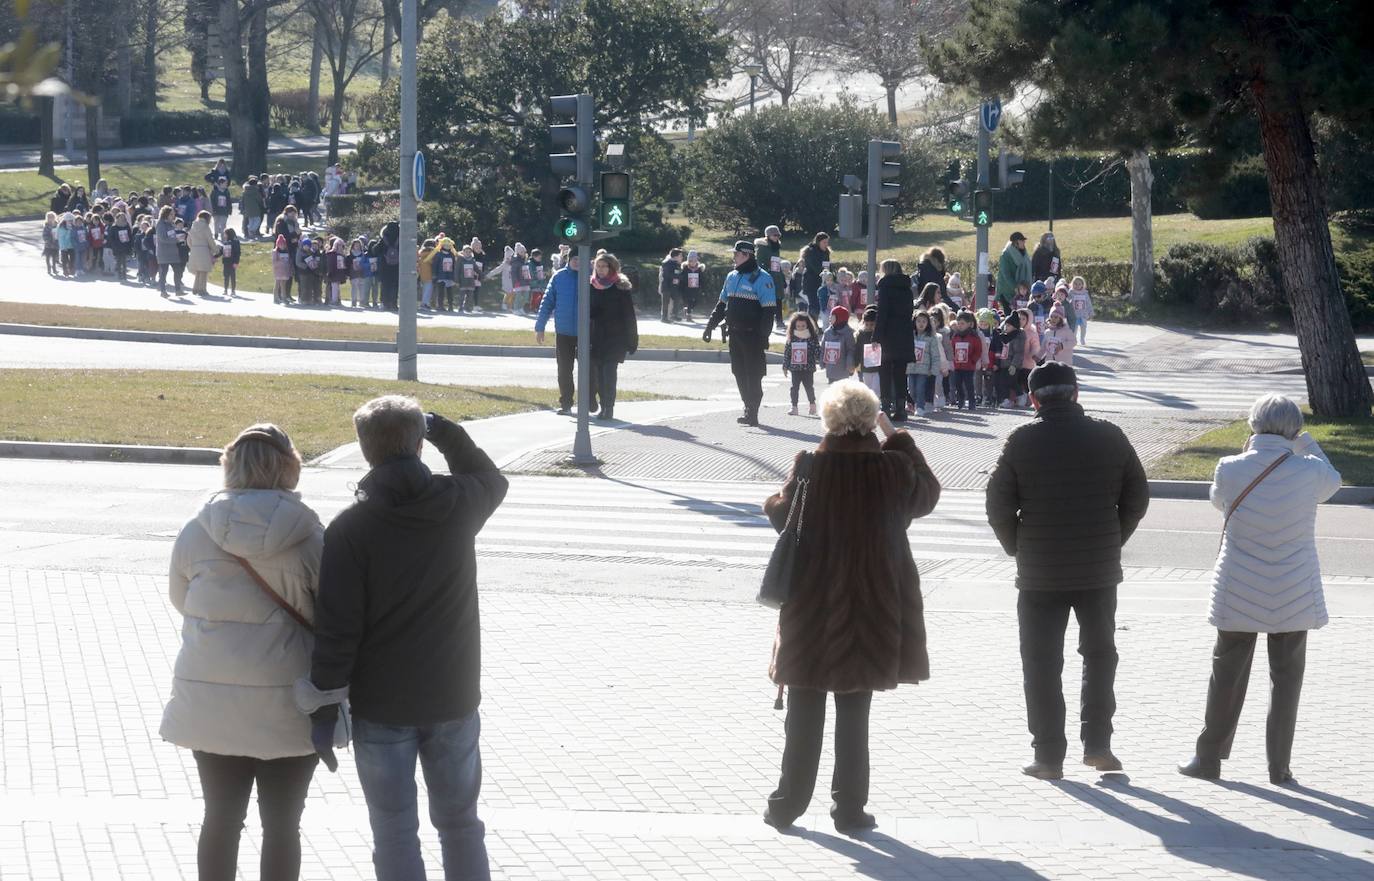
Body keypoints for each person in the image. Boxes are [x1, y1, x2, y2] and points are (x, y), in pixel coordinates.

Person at [306, 396, 508, 881]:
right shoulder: (456, 503)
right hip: (453, 698)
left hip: (381, 707)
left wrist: (324, 703)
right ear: (420, 444)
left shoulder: (351, 528)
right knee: (460, 823)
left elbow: (337, 627)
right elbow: (492, 479)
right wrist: (446, 431)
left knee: (393, 829)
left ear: (363, 449)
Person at [763, 380, 940, 832]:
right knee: (855, 712)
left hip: (812, 602)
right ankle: (849, 810)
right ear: (870, 420)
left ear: (828, 419)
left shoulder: (810, 465)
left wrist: (774, 500)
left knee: (804, 707)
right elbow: (929, 494)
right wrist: (896, 434)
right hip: (871, 604)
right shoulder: (895, 468)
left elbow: (782, 515)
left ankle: (787, 805)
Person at [160, 423, 323, 881]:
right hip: (289, 701)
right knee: (282, 826)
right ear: (290, 469)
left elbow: (180, 601)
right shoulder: (309, 536)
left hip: (210, 700)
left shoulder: (197, 531)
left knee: (221, 818)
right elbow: (333, 615)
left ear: (229, 465)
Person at [986, 362, 1150, 780]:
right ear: (1076, 393)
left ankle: (1048, 756)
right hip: (1098, 571)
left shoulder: (1021, 441)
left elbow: (997, 504)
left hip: (1040, 573)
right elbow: (1138, 495)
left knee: (1041, 663)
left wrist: (1016, 546)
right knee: (1099, 656)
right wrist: (1114, 537)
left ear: (1033, 398)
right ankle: (1098, 745)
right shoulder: (1110, 436)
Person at [1178, 394, 1342, 786]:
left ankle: (1209, 757)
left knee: (1226, 674)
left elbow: (1220, 503)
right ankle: (1279, 766)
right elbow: (1334, 481)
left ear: (1252, 425)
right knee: (1287, 680)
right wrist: (1305, 441)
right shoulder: (1309, 471)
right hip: (1293, 588)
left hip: (1239, 586)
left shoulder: (1230, 467)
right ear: (1294, 429)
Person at [703, 240, 778, 427]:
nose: (733, 257)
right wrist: (710, 325)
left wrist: (764, 337)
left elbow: (769, 312)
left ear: (746, 255)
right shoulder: (732, 276)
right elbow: (722, 304)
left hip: (753, 336)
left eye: (736, 254)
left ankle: (753, 411)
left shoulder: (763, 278)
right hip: (734, 334)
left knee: (753, 374)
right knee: (738, 372)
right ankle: (747, 406)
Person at [588, 252, 638, 421]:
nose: (601, 270)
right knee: (600, 375)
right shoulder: (591, 285)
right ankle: (603, 406)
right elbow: (588, 312)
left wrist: (632, 340)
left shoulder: (620, 287)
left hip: (616, 338)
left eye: (604, 266)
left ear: (611, 268)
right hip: (597, 338)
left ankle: (609, 407)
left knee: (609, 373)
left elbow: (629, 316)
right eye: (598, 266)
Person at [535, 251, 581, 415]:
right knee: (564, 370)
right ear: (569, 260)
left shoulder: (591, 277)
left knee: (589, 370)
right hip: (564, 332)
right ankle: (566, 403)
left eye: (581, 258)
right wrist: (540, 327)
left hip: (587, 332)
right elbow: (547, 302)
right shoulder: (559, 277)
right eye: (575, 258)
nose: (578, 262)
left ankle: (588, 401)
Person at [872, 259, 915, 423]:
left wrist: (876, 336)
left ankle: (885, 408)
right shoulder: (907, 288)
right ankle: (901, 409)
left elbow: (882, 313)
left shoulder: (885, 287)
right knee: (900, 373)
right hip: (904, 334)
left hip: (888, 335)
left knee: (884, 371)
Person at [782, 311, 821, 416]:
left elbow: (817, 351)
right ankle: (794, 407)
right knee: (794, 388)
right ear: (794, 326)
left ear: (808, 325)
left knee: (809, 387)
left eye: (803, 326)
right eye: (798, 326)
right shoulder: (791, 338)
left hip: (808, 368)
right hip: (795, 368)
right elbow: (787, 353)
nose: (800, 328)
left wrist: (821, 359)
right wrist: (785, 367)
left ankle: (812, 405)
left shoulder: (812, 338)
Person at [906, 310, 940, 418]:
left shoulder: (931, 338)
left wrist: (933, 370)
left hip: (924, 369)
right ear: (914, 322)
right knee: (911, 389)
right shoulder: (910, 336)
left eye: (924, 322)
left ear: (928, 323)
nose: (921, 324)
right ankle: (914, 403)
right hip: (911, 367)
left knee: (920, 388)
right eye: (919, 321)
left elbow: (935, 355)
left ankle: (920, 407)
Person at [949, 310, 984, 409]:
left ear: (969, 324)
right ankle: (961, 400)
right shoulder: (955, 336)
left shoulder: (974, 337)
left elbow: (978, 350)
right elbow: (952, 348)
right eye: (958, 323)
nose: (960, 326)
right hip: (957, 365)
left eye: (962, 324)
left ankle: (972, 401)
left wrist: (973, 360)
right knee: (958, 384)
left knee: (969, 384)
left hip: (969, 366)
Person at [754, 224, 787, 329]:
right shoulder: (762, 248)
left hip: (777, 276)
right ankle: (762, 321)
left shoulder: (776, 247)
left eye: (778, 235)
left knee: (778, 299)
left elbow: (777, 263)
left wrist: (782, 278)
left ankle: (779, 321)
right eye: (774, 235)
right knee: (766, 300)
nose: (777, 237)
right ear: (768, 236)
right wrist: (767, 272)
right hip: (766, 277)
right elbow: (759, 263)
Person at [996, 231, 1032, 313]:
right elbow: (1006, 275)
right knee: (1011, 317)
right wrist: (1016, 288)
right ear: (1016, 243)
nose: (1024, 242)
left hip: (1022, 291)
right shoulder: (1005, 255)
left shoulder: (1024, 254)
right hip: (1007, 291)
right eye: (1021, 241)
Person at [799, 232, 832, 319]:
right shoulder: (810, 252)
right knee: (814, 306)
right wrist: (825, 274)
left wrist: (831, 275)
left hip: (822, 282)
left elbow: (828, 265)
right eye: (824, 242)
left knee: (820, 305)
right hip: (811, 283)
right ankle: (812, 325)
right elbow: (815, 267)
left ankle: (814, 325)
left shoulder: (826, 252)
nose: (826, 244)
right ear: (818, 242)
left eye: (827, 242)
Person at [821, 305, 855, 385]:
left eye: (832, 316)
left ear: (840, 318)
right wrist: (822, 361)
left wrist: (850, 364)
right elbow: (823, 348)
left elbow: (850, 350)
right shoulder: (827, 332)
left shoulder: (848, 333)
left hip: (843, 368)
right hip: (830, 368)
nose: (829, 318)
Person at [154, 205, 183, 297]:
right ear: (166, 214)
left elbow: (172, 235)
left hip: (173, 252)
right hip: (163, 252)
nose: (173, 216)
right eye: (171, 214)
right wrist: (176, 240)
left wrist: (179, 238)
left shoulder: (171, 224)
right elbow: (162, 238)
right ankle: (163, 291)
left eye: (173, 214)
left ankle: (178, 290)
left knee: (178, 270)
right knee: (163, 272)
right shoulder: (160, 224)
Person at [658, 247, 684, 322]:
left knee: (677, 299)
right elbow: (667, 275)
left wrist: (680, 277)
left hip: (674, 287)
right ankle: (664, 317)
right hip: (666, 286)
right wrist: (678, 277)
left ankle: (674, 315)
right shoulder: (667, 263)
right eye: (680, 256)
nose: (682, 257)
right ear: (675, 257)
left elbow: (677, 273)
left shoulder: (676, 264)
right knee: (666, 302)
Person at [682, 251, 706, 321]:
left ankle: (687, 310)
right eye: (691, 261)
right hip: (687, 289)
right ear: (688, 261)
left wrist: (703, 289)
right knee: (689, 301)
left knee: (696, 301)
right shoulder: (685, 268)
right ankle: (689, 316)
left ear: (697, 260)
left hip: (696, 289)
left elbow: (702, 279)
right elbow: (682, 278)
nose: (693, 262)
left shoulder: (699, 269)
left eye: (694, 260)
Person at [1068, 276, 1092, 345]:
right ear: (1072, 284)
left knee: (1083, 328)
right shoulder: (1071, 292)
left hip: (1083, 314)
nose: (1077, 285)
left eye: (1079, 284)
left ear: (1082, 284)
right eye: (1075, 284)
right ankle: (1074, 340)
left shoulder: (1085, 293)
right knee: (1074, 329)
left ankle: (1082, 338)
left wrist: (1090, 312)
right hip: (1074, 314)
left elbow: (1088, 303)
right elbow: (1067, 302)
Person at [272, 234, 295, 304]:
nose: (282, 246)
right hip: (278, 270)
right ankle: (275, 298)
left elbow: (289, 260)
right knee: (277, 284)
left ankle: (284, 298)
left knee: (283, 284)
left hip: (285, 270)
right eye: (280, 244)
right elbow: (274, 261)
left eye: (283, 244)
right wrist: (281, 262)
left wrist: (290, 267)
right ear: (277, 245)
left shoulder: (286, 251)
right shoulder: (275, 252)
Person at [220, 228, 241, 296]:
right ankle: (225, 290)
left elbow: (238, 253)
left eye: (225, 234)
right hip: (226, 262)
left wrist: (236, 262)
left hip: (232, 262)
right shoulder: (225, 243)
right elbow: (221, 252)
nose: (224, 235)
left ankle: (233, 290)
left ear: (228, 234)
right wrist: (214, 256)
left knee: (232, 276)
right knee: (226, 276)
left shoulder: (235, 242)